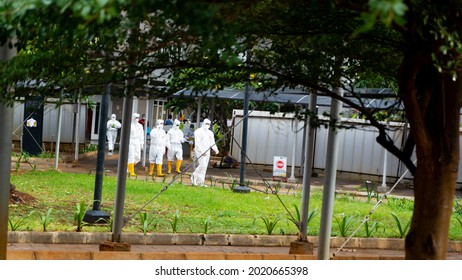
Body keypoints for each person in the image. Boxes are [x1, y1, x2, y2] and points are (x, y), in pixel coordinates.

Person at [191, 118, 219, 187]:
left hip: (207, 151)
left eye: (208, 124)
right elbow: (197, 143)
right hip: (200, 150)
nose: (207, 125)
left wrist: (216, 149)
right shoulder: (198, 131)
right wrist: (201, 151)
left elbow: (212, 142)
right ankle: (194, 176)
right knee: (202, 165)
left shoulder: (210, 133)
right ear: (203, 123)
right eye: (206, 123)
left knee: (205, 167)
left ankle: (201, 182)